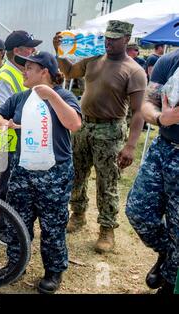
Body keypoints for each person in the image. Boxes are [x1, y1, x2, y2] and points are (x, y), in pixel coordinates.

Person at [0, 51, 82, 294]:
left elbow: (74, 124)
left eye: (29, 68)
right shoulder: (21, 98)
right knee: (17, 220)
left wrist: (51, 96)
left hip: (55, 174)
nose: (23, 71)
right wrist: (5, 123)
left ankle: (53, 271)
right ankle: (15, 263)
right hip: (23, 172)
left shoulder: (64, 95)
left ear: (45, 72)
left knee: (53, 225)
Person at [53, 20, 147, 253]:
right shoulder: (94, 59)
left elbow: (138, 113)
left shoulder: (134, 71)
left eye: (115, 38)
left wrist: (130, 146)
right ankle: (78, 213)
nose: (109, 42)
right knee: (76, 173)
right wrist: (59, 52)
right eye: (107, 37)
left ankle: (107, 229)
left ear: (127, 39)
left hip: (110, 131)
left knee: (107, 181)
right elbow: (70, 71)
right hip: (84, 126)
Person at [125, 49, 179, 295]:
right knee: (138, 212)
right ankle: (167, 253)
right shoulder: (169, 61)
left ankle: (169, 281)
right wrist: (160, 118)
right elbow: (147, 102)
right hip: (164, 147)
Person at [0, 31, 42, 243]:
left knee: (14, 187)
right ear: (17, 52)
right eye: (29, 48)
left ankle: (11, 224)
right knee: (2, 187)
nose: (33, 52)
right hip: (5, 143)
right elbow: (6, 112)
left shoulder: (22, 74)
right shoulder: (4, 77)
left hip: (20, 142)